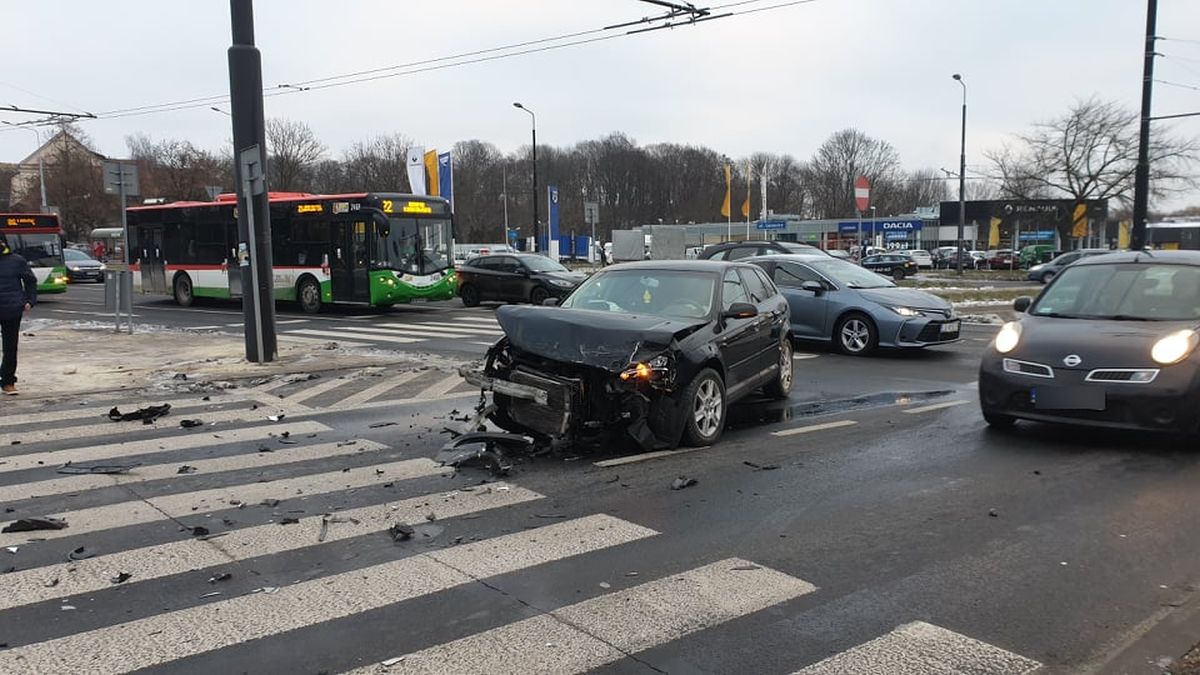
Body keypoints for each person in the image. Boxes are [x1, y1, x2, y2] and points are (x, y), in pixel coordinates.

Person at [0, 236, 37, 395]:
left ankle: (8, 381)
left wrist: (30, 300)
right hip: (11, 307)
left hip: (11, 309)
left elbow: (30, 281)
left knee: (10, 348)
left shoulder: (17, 261)